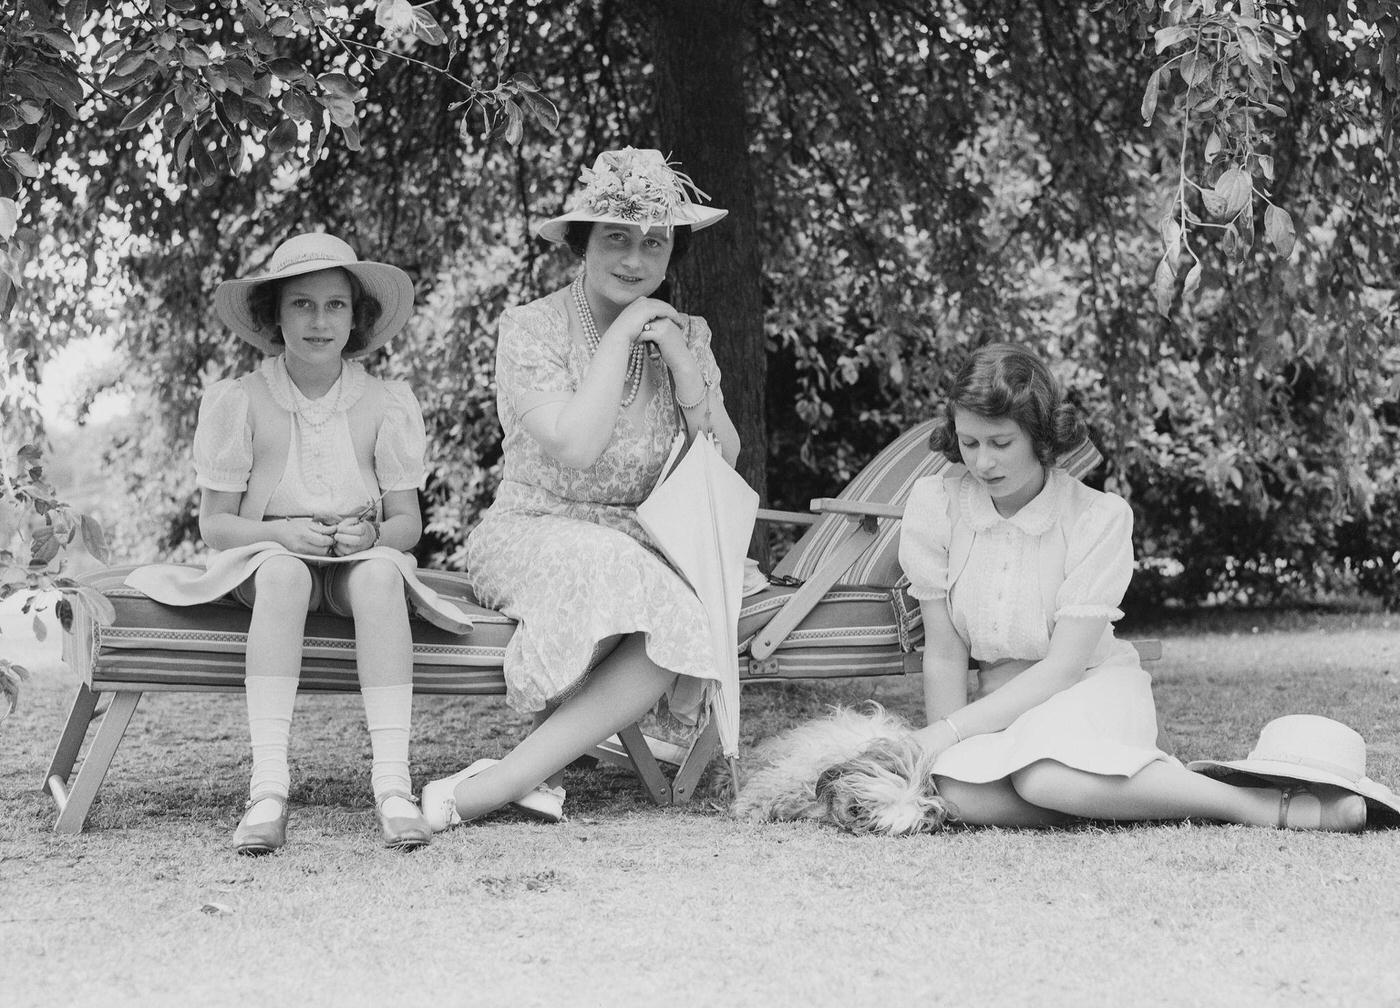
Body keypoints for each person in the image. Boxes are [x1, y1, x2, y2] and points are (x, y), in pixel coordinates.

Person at [736, 343, 1378, 834]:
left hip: (1087, 686)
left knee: (1045, 778)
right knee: (958, 795)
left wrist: (946, 737)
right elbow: (944, 651)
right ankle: (1139, 792)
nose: (981, 462)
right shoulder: (937, 501)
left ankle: (1254, 806)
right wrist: (937, 748)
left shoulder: (1099, 518)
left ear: (1041, 436)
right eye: (967, 443)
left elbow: (1065, 667)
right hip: (997, 700)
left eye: (1000, 443)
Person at [421, 147, 741, 830]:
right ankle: (516, 776)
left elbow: (724, 462)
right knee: (630, 577)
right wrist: (626, 331)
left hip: (643, 539)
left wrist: (686, 368)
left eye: (654, 244)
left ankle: (504, 779)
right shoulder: (530, 329)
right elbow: (576, 444)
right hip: (533, 529)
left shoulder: (688, 336)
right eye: (616, 239)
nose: (635, 260)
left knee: (684, 605)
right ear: (582, 243)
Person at [127, 232, 472, 854]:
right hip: (266, 560)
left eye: (335, 305)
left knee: (380, 575)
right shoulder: (243, 400)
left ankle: (393, 785)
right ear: (274, 316)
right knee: (285, 574)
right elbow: (217, 526)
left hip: (352, 562)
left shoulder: (385, 402)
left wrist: (372, 535)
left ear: (356, 317)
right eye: (302, 305)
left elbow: (406, 526)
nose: (319, 321)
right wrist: (278, 534)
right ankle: (268, 788)